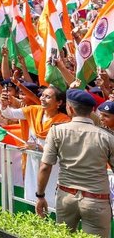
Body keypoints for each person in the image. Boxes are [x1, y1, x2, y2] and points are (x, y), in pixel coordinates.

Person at [37, 89, 114, 237]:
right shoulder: (107, 137)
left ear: (70, 108)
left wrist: (40, 196)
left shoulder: (57, 131)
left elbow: (45, 166)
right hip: (96, 200)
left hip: (66, 196)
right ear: (92, 110)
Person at [0, 84, 70, 210]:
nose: (42, 99)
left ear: (59, 103)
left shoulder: (64, 122)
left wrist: (38, 147)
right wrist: (4, 104)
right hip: (32, 164)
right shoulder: (34, 111)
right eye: (42, 95)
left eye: (48, 97)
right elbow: (9, 114)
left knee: (51, 200)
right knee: (32, 196)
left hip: (52, 166)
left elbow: (62, 149)